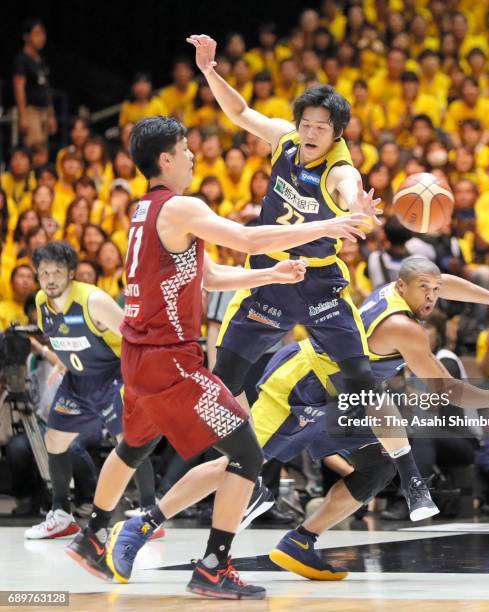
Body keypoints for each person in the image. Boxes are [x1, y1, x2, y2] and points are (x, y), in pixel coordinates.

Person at [66, 115, 367, 599]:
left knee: (133, 447)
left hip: (139, 358)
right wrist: (328, 224)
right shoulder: (181, 206)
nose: (192, 156)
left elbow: (207, 274)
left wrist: (268, 278)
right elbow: (248, 240)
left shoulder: (147, 212)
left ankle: (93, 534)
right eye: (185, 150)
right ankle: (213, 566)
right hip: (172, 362)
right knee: (247, 454)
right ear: (165, 158)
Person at [187, 34, 437, 514]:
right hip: (268, 279)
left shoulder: (339, 169)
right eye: (306, 123)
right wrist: (210, 72)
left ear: (338, 134)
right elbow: (241, 114)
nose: (310, 132)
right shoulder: (284, 141)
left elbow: (348, 188)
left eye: (321, 128)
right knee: (222, 383)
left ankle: (412, 480)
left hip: (319, 284)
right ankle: (250, 472)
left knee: (362, 378)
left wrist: (357, 204)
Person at [248, 257, 489, 580]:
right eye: (424, 289)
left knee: (377, 468)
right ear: (404, 286)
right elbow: (450, 390)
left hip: (343, 394)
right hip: (305, 382)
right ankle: (213, 558)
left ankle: (300, 542)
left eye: (435, 290)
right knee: (237, 465)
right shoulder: (405, 328)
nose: (431, 296)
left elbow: (441, 281)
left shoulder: (398, 289)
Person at [24, 242, 158, 540]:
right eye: (44, 272)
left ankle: (150, 511)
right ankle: (61, 515)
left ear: (71, 273)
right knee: (54, 439)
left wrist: (141, 379)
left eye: (57, 271)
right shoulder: (41, 301)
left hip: (113, 376)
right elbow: (62, 339)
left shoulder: (94, 300)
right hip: (77, 381)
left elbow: (134, 336)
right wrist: (61, 364)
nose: (50, 278)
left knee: (130, 441)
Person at [12, 19, 56, 147]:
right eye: (37, 33)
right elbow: (19, 86)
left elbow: (46, 88)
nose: (41, 38)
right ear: (26, 37)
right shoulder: (21, 59)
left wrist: (51, 114)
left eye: (43, 34)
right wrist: (23, 115)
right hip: (31, 110)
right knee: (34, 148)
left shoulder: (41, 60)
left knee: (44, 148)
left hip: (44, 111)